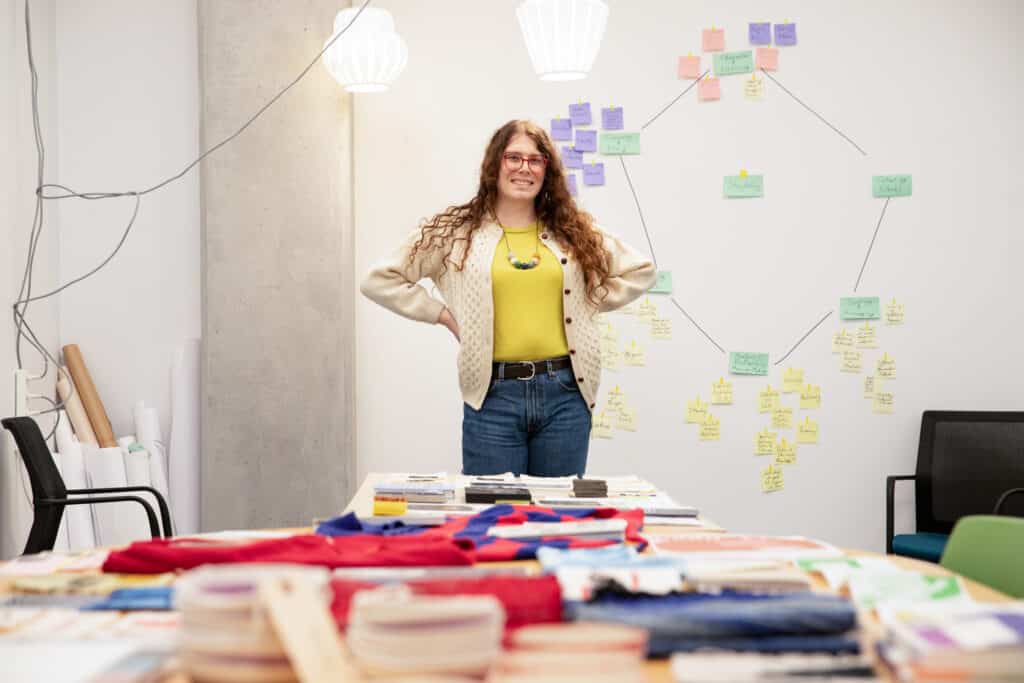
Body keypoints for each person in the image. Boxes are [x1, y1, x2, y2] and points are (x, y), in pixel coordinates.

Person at [361, 120, 655, 477]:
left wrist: (589, 299)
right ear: (494, 165)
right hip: (491, 394)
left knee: (556, 520)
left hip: (566, 392)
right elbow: (379, 279)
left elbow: (641, 270)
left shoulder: (572, 231)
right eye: (513, 157)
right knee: (493, 520)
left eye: (535, 160)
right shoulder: (457, 232)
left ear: (547, 171)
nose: (524, 168)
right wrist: (441, 314)